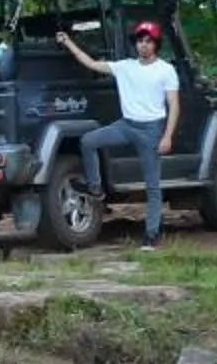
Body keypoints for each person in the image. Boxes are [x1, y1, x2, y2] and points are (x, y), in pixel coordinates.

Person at [58, 19, 180, 249]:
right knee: (88, 141)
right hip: (126, 125)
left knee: (152, 185)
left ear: (156, 44)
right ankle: (95, 187)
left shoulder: (166, 70)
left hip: (151, 129)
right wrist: (68, 42)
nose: (143, 45)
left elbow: (174, 104)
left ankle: (151, 234)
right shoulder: (125, 66)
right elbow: (92, 64)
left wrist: (167, 136)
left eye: (148, 41)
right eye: (140, 41)